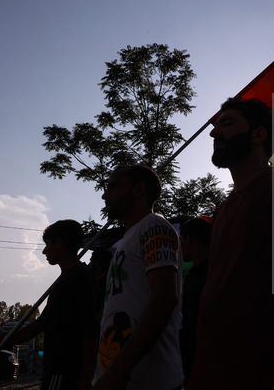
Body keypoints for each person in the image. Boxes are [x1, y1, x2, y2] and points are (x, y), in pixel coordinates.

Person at [188, 98, 274, 389]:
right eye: (215, 126)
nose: (214, 132)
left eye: (227, 123)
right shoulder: (222, 210)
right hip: (212, 372)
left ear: (259, 134)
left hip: (264, 372)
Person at [91, 164, 183, 389]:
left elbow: (164, 298)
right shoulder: (123, 242)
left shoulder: (154, 226)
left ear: (139, 190)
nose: (104, 194)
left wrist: (119, 370)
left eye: (112, 187)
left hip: (148, 379)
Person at [0, 219, 99, 390]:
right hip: (54, 370)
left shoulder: (79, 278)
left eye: (47, 244)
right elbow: (40, 324)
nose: (44, 251)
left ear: (59, 244)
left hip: (65, 372)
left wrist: (85, 379)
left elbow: (90, 330)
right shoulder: (65, 279)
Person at [178, 217, 212, 387]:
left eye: (181, 241)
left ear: (189, 239)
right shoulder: (194, 275)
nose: (179, 247)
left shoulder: (211, 275)